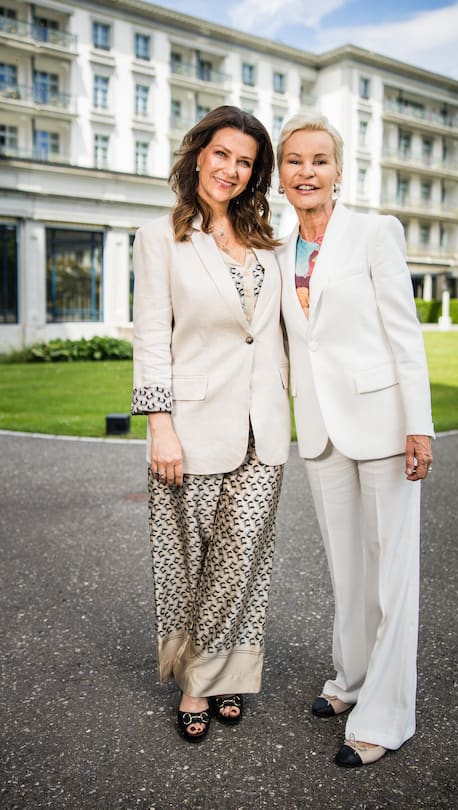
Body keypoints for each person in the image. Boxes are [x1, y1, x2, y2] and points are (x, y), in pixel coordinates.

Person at [276, 113, 434, 768]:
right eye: (294, 161)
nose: (307, 172)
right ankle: (352, 679)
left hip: (382, 421)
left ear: (339, 171)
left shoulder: (375, 233)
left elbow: (404, 332)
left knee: (392, 570)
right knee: (348, 567)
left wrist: (418, 422)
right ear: (279, 175)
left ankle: (388, 715)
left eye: (319, 160)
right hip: (319, 428)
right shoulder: (279, 249)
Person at [131, 106, 290, 743]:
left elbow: (277, 335)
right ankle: (224, 676)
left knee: (241, 558)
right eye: (221, 154)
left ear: (255, 174)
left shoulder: (266, 241)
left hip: (266, 427)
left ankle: (204, 682)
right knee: (191, 563)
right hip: (191, 425)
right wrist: (158, 425)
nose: (230, 169)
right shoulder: (159, 236)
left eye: (245, 161)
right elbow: (150, 338)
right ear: (198, 154)